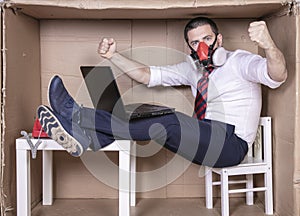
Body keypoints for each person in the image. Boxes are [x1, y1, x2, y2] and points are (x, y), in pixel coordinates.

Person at [37, 17, 287, 168]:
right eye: (194, 42)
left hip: (231, 144)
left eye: (207, 39)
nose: (202, 47)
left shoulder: (239, 61)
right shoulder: (193, 69)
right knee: (148, 119)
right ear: (189, 46)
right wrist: (113, 56)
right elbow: (147, 75)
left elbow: (277, 75)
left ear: (219, 40)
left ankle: (78, 116)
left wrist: (268, 44)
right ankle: (92, 138)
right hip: (205, 137)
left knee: (169, 122)